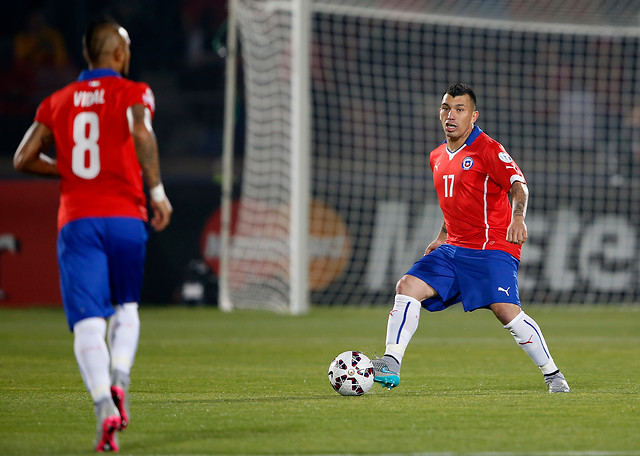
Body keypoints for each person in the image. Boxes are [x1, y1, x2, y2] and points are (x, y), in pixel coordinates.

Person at [13, 17, 173, 451]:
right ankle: (120, 377)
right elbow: (142, 132)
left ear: (87, 54)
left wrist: (63, 169)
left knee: (87, 323)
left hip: (78, 220)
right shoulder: (134, 92)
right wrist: (156, 192)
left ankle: (104, 405)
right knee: (126, 306)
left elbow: (23, 157)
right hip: (125, 216)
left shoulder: (57, 101)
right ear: (118, 54)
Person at [372, 82, 570, 394]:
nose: (451, 115)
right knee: (407, 287)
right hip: (454, 247)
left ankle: (553, 375)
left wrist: (518, 217)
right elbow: (455, 202)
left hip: (492, 247)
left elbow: (519, 185)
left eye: (459, 109)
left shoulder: (488, 149)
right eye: (446, 108)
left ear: (473, 116)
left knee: (505, 310)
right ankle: (391, 363)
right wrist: (441, 236)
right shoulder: (437, 156)